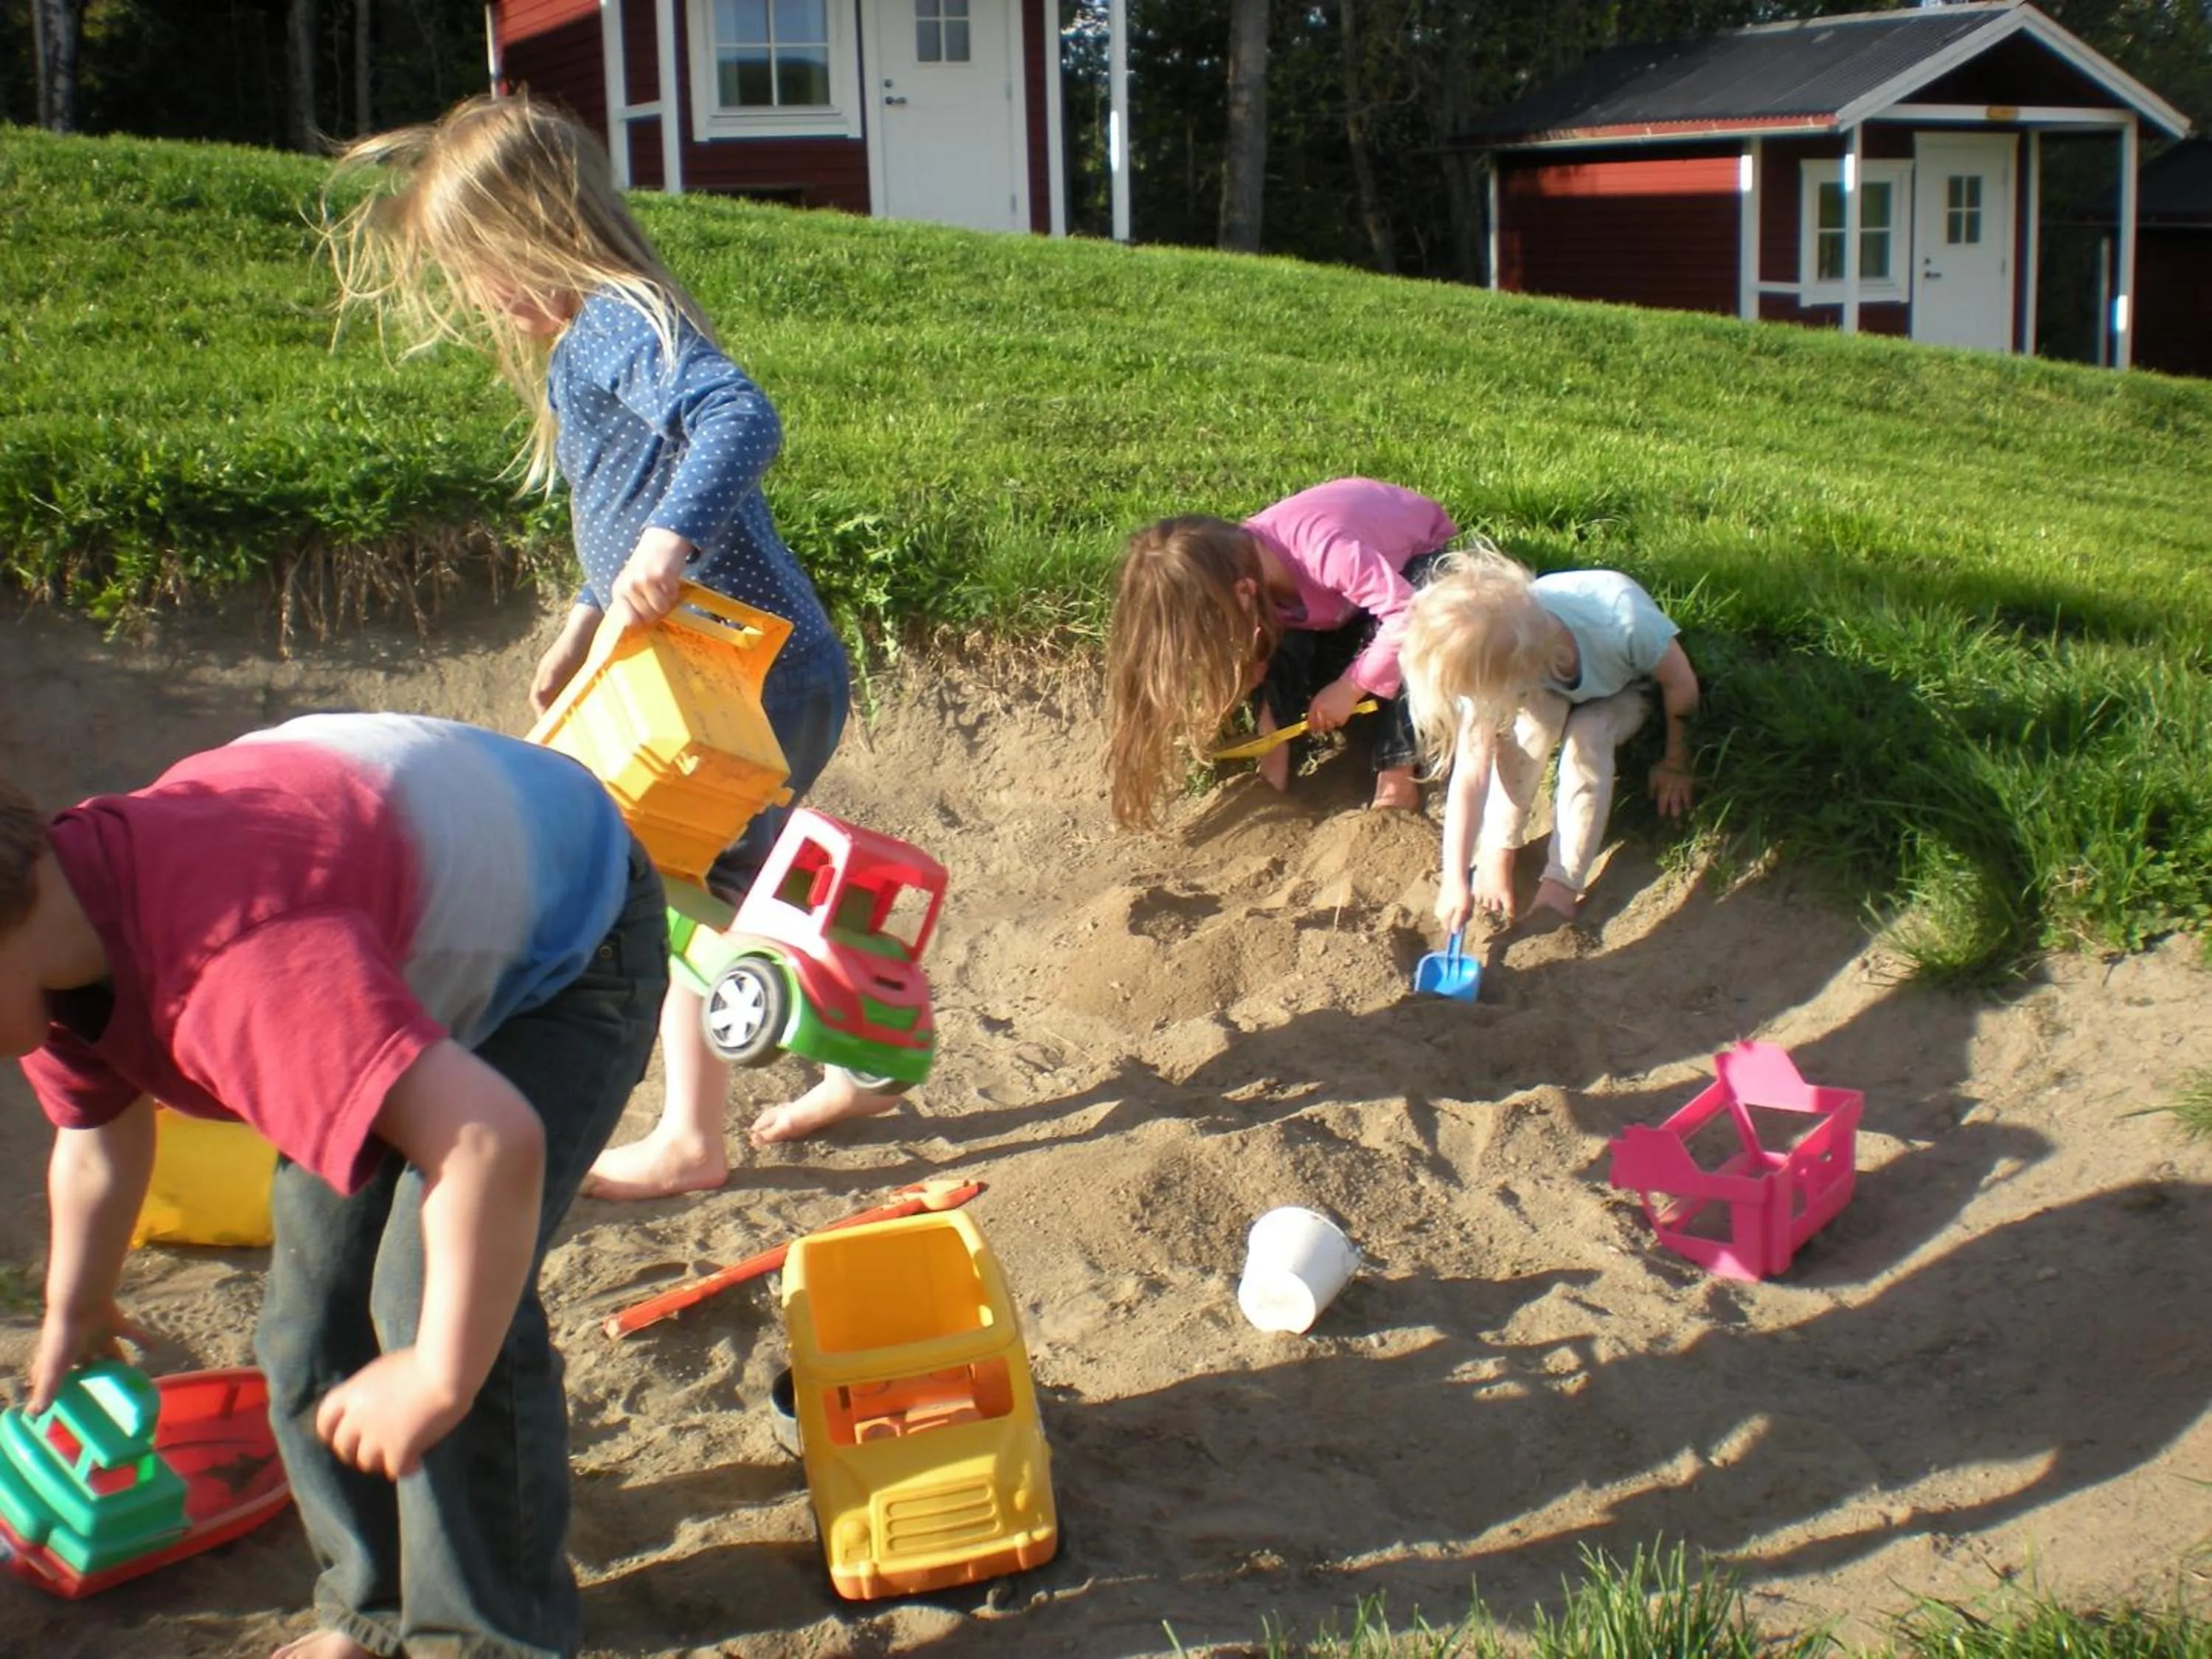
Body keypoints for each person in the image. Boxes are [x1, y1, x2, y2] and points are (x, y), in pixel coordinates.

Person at [2, 713, 667, 1659]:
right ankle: (371, 1608)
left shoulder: (239, 972)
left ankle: (489, 1637)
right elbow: (96, 1138)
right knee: (311, 1321)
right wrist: (80, 1304)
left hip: (560, 947)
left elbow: (489, 1142)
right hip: (385, 928)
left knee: (426, 1303)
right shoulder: (55, 944)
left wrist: (437, 1375)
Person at [327, 92, 893, 1197]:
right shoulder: (601, 333)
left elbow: (742, 417)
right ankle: (865, 1052)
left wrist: (671, 546)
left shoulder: (613, 322)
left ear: (527, 233)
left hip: (742, 675)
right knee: (733, 882)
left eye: (475, 265)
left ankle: (694, 1133)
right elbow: (626, 507)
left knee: (667, 889)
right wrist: (588, 614)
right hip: (740, 668)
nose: (477, 294)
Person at [1105, 477, 1459, 827]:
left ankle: (1398, 777)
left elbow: (1408, 615)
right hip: (1337, 607)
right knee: (1274, 646)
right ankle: (1277, 756)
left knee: (1425, 634)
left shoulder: (1325, 550)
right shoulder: (1238, 568)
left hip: (1413, 567)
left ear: (1244, 592)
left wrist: (1350, 687)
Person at [1399, 544, 1700, 933]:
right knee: (1533, 726)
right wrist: (1455, 878)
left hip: (1623, 688)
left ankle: (1561, 883)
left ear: (1517, 668)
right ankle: (1499, 848)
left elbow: (1681, 683)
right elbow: (1472, 774)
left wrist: (1677, 762)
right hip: (1548, 683)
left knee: (1586, 740)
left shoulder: (1624, 624)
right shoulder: (1501, 646)